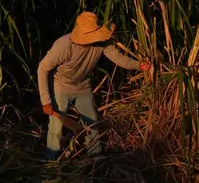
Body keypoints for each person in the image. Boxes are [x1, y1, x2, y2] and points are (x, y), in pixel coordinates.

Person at [37, 11, 151, 160]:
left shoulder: (103, 42)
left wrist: (138, 65)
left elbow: (119, 58)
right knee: (56, 125)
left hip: (83, 86)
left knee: (92, 123)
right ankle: (51, 160)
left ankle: (95, 158)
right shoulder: (64, 45)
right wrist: (46, 100)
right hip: (60, 85)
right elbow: (43, 68)